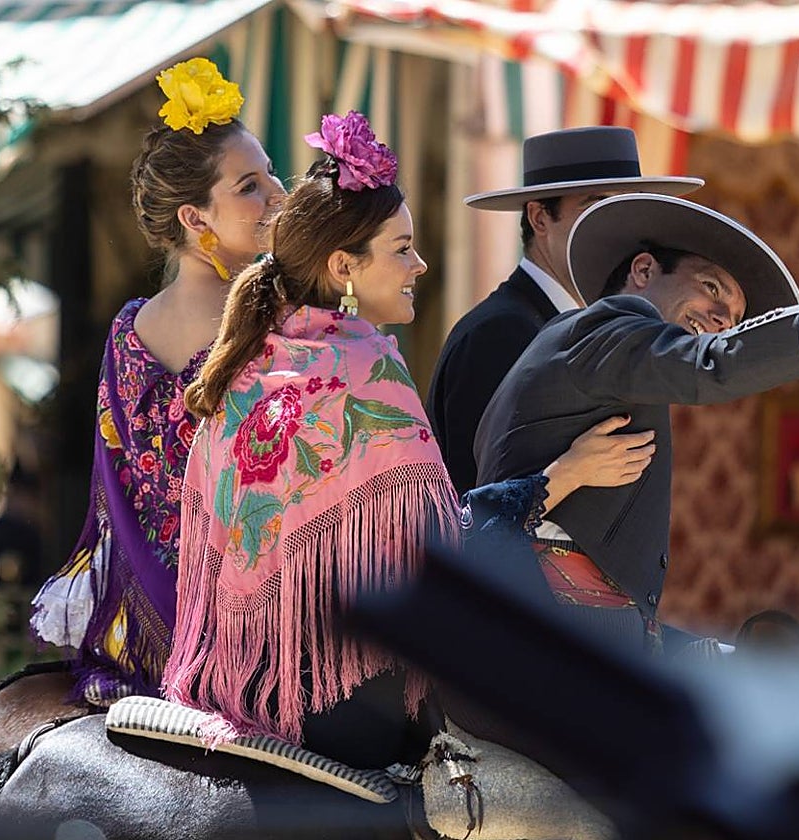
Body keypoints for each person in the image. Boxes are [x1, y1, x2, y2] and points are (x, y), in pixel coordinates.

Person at [162, 112, 655, 769]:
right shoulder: (366, 369)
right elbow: (438, 549)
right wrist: (561, 476)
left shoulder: (251, 363)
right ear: (343, 266)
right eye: (401, 249)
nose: (419, 265)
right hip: (344, 703)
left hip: (237, 684)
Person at [474, 193, 799, 657]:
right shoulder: (605, 327)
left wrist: (737, 657)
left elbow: (613, 605)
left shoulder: (602, 368)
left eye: (735, 316)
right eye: (711, 288)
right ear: (645, 270)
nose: (721, 317)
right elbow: (713, 366)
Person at [29, 58, 286, 704]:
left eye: (271, 175)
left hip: (138, 637)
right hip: (247, 637)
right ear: (195, 218)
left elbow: (113, 501)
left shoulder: (126, 331)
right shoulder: (271, 324)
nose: (278, 195)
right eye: (251, 185)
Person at [426, 126, 703, 496]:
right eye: (596, 206)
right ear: (540, 219)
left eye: (627, 206)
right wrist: (569, 471)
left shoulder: (588, 326)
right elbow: (473, 504)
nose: (618, 225)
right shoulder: (499, 332)